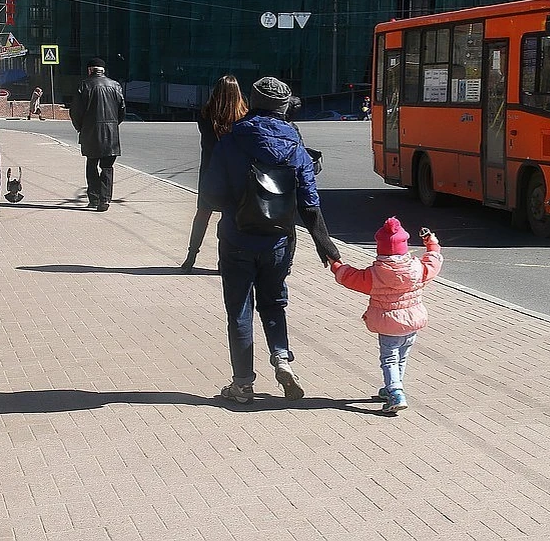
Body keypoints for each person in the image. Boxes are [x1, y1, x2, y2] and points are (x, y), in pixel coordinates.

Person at [201, 76, 341, 404]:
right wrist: (326, 245)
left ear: (252, 101)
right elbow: (309, 203)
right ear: (283, 107)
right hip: (279, 242)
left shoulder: (232, 139)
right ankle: (282, 360)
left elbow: (210, 194)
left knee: (239, 309)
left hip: (237, 239)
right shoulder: (295, 145)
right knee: (274, 303)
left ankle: (242, 384)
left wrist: (237, 207)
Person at [328, 218, 442, 413]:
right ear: (404, 247)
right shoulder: (417, 269)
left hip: (389, 325)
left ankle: (396, 392)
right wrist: (431, 243)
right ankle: (392, 388)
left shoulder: (375, 274)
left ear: (379, 249)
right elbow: (433, 261)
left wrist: (336, 264)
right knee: (401, 358)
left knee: (389, 358)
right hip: (412, 323)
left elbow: (350, 277)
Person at [180, 75, 247, 274]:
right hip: (234, 174)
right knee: (229, 217)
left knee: (202, 214)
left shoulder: (204, 115)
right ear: (237, 94)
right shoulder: (243, 116)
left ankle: (190, 258)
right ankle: (222, 262)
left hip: (210, 172)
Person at [69, 58, 126, 212]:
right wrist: (113, 125)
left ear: (90, 70)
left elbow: (75, 111)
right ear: (103, 70)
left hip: (90, 133)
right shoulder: (115, 85)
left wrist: (80, 127)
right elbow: (122, 110)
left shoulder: (84, 85)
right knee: (107, 167)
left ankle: (94, 199)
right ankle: (105, 200)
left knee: (92, 165)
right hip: (111, 134)